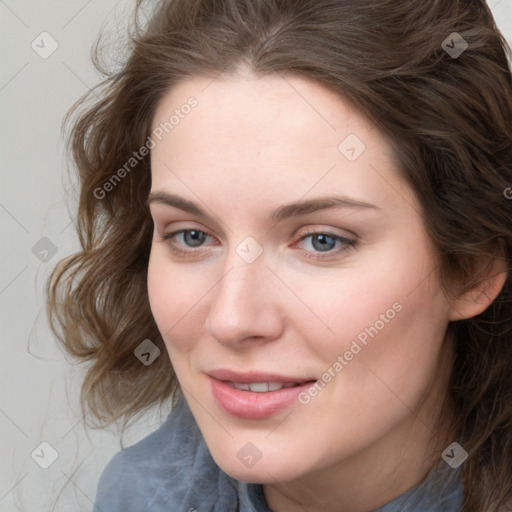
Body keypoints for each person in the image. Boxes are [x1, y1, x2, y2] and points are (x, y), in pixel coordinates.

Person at [47, 0, 512, 510]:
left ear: (472, 267)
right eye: (192, 236)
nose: (232, 320)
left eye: (322, 240)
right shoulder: (140, 495)